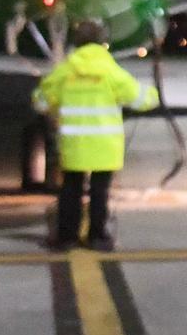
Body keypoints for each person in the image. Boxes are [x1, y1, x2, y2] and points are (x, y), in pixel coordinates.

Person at [32, 20, 159, 249]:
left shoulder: (66, 70)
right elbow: (139, 98)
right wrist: (154, 94)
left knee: (70, 190)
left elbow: (40, 101)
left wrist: (51, 105)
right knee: (100, 192)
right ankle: (97, 236)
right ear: (102, 43)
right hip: (104, 146)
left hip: (75, 144)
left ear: (76, 43)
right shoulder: (109, 70)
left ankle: (66, 237)